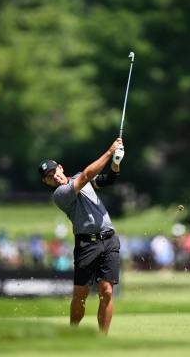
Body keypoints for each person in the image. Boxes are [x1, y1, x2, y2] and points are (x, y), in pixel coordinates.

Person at [39, 137, 123, 334]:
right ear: (46, 182)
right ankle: (73, 332)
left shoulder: (78, 178)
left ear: (61, 167)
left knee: (107, 292)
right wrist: (110, 152)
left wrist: (116, 162)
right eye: (49, 177)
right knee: (80, 295)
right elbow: (86, 175)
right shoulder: (60, 195)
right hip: (87, 245)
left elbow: (108, 179)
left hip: (109, 239)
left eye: (54, 172)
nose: (55, 177)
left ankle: (103, 338)